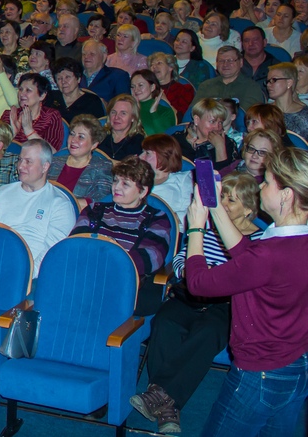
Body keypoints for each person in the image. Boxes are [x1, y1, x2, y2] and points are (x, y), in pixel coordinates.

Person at [184, 146, 308, 437]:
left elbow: (198, 283)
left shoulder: (270, 254)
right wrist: (215, 207)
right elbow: (249, 257)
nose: (260, 185)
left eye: (267, 182)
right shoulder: (290, 243)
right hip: (294, 364)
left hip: (260, 373)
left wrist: (196, 229)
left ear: (287, 195)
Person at [133, 171, 262, 434]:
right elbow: (181, 258)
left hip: (228, 304)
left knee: (209, 331)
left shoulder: (259, 240)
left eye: (232, 201)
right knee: (166, 322)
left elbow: (247, 278)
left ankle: (158, 394)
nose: (222, 205)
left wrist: (214, 274)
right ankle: (168, 406)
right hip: (191, 292)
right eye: (222, 197)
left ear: (249, 209)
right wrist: (190, 273)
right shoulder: (205, 227)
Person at [70, 156, 173, 312]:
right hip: (87, 275)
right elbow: (76, 242)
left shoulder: (157, 218)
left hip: (127, 282)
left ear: (143, 191)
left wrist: (110, 266)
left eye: (125, 184)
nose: (116, 188)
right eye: (115, 181)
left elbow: (152, 256)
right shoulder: (95, 210)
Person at [0, 139, 78, 278]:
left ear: (45, 167)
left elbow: (52, 252)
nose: (21, 166)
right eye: (20, 160)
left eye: (28, 161)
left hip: (33, 274)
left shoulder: (60, 204)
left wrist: (25, 274)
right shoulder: (0, 194)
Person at [49, 114, 114, 208]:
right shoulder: (55, 162)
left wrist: (63, 204)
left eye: (81, 137)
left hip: (78, 216)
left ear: (94, 144)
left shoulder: (102, 167)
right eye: (72, 134)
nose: (73, 140)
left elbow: (99, 199)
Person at [140, 132, 193, 221]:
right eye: (142, 152)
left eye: (147, 153)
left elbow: (191, 212)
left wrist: (171, 218)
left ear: (163, 156)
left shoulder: (183, 180)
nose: (141, 157)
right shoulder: (136, 178)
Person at [130, 69, 178, 136]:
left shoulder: (164, 110)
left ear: (152, 87)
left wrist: (153, 112)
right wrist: (136, 110)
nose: (136, 90)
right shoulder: (127, 108)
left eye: (140, 85)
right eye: (133, 86)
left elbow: (163, 139)